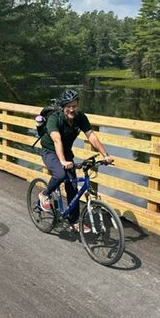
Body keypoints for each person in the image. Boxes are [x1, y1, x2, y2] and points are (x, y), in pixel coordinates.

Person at [38, 89, 114, 232]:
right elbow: (56, 140)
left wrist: (105, 155)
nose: (72, 109)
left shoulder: (80, 117)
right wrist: (62, 161)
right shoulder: (55, 118)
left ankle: (73, 221)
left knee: (72, 186)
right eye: (69, 106)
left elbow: (91, 136)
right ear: (63, 107)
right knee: (60, 174)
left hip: (66, 153)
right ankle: (44, 194)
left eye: (74, 106)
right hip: (50, 151)